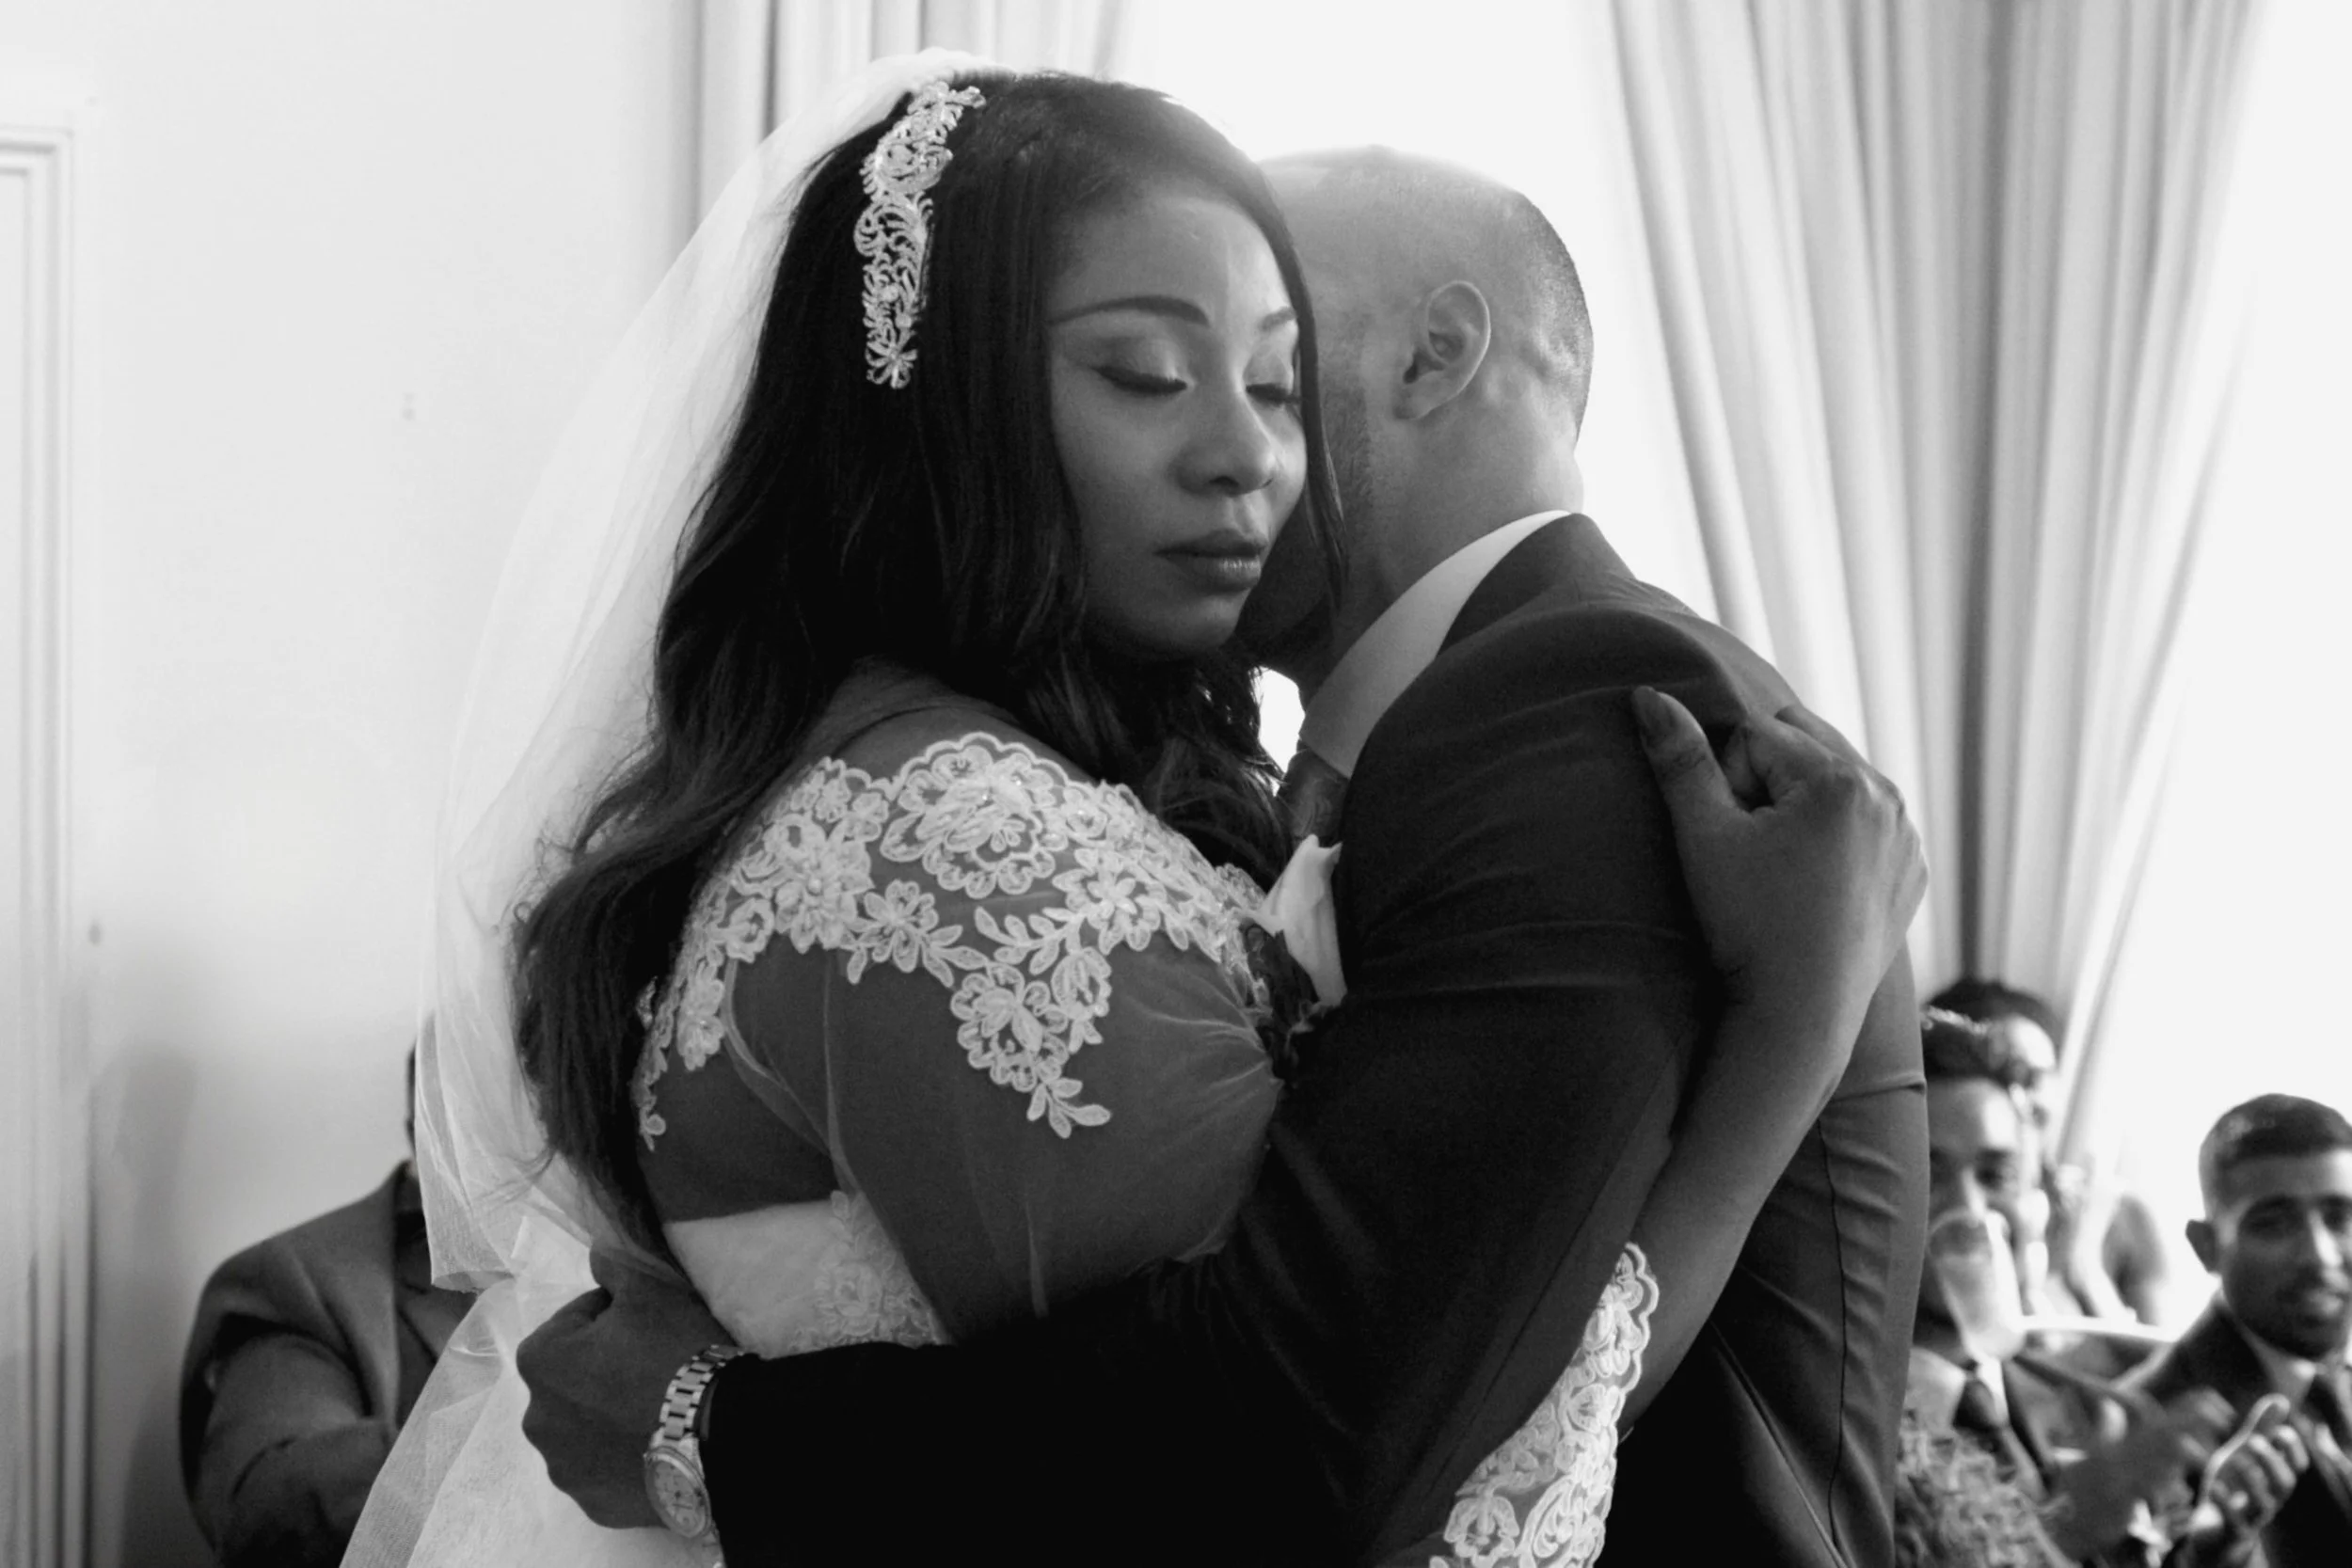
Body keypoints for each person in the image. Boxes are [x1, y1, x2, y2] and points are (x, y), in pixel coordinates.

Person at [515, 129, 1930, 1567]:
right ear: (971, 412)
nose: (1247, 453)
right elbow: (1357, 1415)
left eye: (1276, 367)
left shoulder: (1566, 702)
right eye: (1147, 374)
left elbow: (1330, 1430)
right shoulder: (956, 813)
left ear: (1434, 356)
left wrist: (710, 1431)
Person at [1907, 1012, 2299, 1566]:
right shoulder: (1836, 1427)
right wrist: (2065, 1529)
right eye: (1927, 1175)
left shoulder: (2086, 1405)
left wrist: (2213, 1544)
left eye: (1996, 1176)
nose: (1971, 1212)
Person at [180, 1038, 473, 1567]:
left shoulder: (637, 1264)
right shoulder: (301, 1280)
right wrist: (512, 1443)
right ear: (423, 1129)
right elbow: (269, 1509)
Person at [2122, 1095, 2351, 1567]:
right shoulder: (2148, 1427)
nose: (2321, 1255)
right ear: (2207, 1247)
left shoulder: (2336, 1384)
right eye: (2273, 1225)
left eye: (2340, 1218)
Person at [1930, 977, 2169, 1325]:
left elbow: (2181, 1366)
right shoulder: (1937, 1221)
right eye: (2000, 1076)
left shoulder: (2123, 1216)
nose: (2019, 1099)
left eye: (2033, 1078)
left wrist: (2087, 1272)